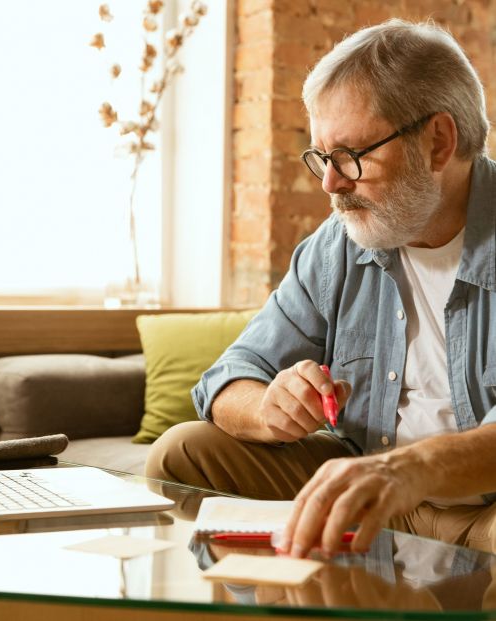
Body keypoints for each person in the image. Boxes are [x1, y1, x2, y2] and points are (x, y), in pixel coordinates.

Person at [145, 18, 496, 559]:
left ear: (438, 142)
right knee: (182, 453)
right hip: (363, 488)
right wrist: (268, 406)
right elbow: (228, 378)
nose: (331, 183)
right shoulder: (340, 243)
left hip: (481, 513)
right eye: (321, 158)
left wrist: (409, 469)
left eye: (351, 155)